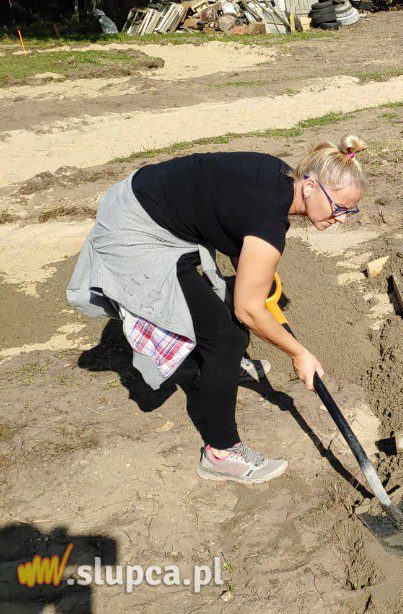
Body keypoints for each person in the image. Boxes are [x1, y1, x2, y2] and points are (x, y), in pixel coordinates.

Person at [68, 136, 368, 485]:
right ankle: (221, 453)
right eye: (340, 207)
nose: (343, 219)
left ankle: (220, 372)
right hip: (134, 230)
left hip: (146, 199)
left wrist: (260, 284)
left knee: (230, 307)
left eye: (350, 210)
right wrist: (298, 353)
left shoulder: (278, 177)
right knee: (226, 338)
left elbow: (238, 238)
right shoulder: (269, 221)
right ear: (311, 187)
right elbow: (248, 310)